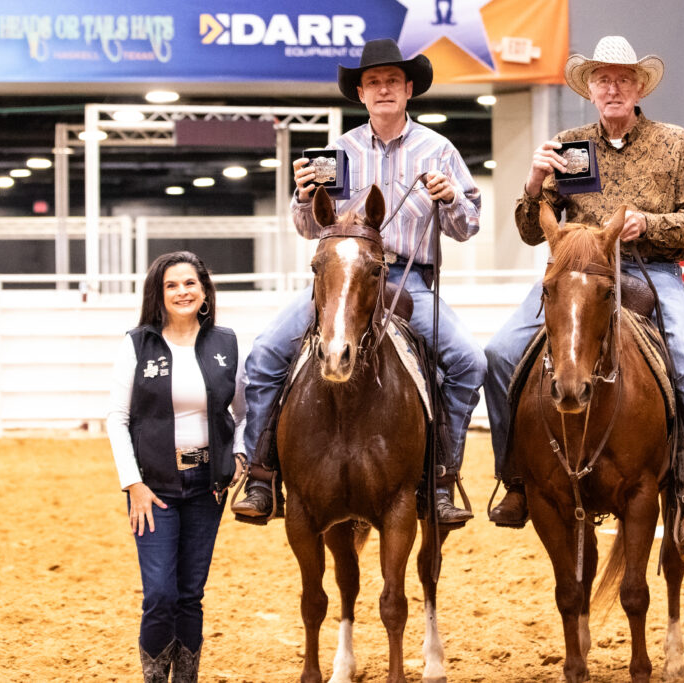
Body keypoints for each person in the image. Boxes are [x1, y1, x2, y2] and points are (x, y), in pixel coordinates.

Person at [231, 38, 484, 525]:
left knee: (468, 362)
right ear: (361, 95)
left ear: (409, 89)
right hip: (340, 279)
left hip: (410, 283)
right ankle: (261, 475)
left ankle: (441, 478)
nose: (383, 89)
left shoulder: (440, 150)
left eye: (392, 81)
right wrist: (305, 198)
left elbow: (467, 226)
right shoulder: (337, 152)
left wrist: (452, 197)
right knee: (263, 355)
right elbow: (309, 229)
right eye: (373, 83)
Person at [484, 35, 684, 546]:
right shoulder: (568, 147)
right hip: (576, 272)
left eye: (622, 79)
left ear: (638, 88)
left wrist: (647, 223)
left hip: (651, 269)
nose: (612, 88)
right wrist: (533, 180)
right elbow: (530, 230)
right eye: (603, 79)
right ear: (590, 89)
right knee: (499, 353)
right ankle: (516, 478)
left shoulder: (675, 142)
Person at [106, 251, 246, 682]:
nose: (182, 291)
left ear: (204, 291)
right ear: (159, 293)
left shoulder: (226, 343)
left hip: (208, 488)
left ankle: (186, 678)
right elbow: (117, 418)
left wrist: (238, 455)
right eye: (172, 285)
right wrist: (133, 484)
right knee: (161, 595)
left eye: (190, 283)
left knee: (190, 595)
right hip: (154, 490)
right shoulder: (138, 343)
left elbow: (241, 413)